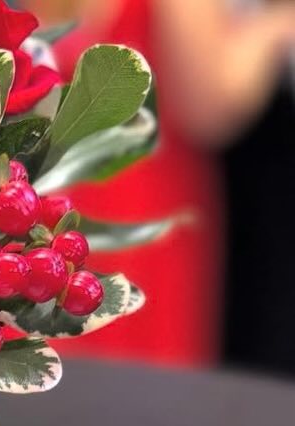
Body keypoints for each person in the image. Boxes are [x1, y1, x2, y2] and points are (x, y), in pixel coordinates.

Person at [26, 0, 295, 368]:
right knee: (145, 398)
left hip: (32, 205)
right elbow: (209, 107)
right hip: (139, 207)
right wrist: (274, 26)